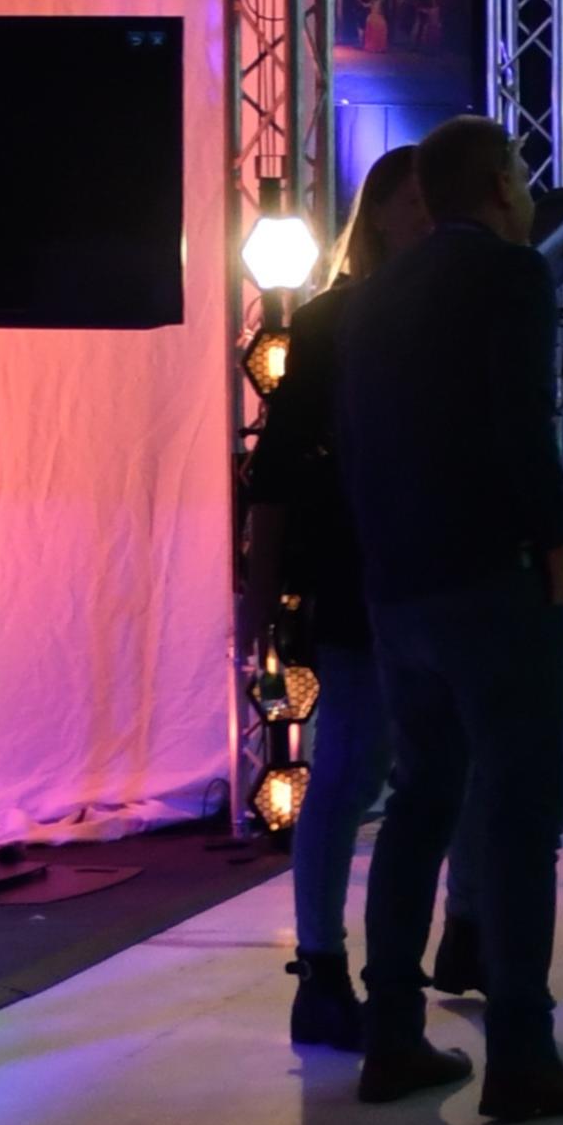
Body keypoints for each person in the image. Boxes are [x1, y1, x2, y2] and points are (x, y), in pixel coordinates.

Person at [334, 113, 563, 1125]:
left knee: (419, 806)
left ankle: (391, 1035)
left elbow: (357, 444)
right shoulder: (510, 276)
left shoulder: (372, 294)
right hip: (493, 582)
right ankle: (523, 1054)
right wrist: (556, 548)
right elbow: (521, 421)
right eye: (522, 178)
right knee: (520, 816)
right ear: (499, 183)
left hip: (399, 585)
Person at [239, 145, 432, 1053]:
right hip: (362, 571)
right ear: (383, 212)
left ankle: (361, 969)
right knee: (355, 767)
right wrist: (262, 588)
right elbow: (277, 467)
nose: (431, 217)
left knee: (405, 770)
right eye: (417, 200)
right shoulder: (334, 321)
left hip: (414, 568)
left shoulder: (400, 314)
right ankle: (325, 968)